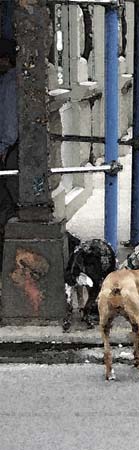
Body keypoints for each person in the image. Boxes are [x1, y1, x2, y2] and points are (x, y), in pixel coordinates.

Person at [0, 38, 18, 274]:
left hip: (10, 151)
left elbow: (9, 122)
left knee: (8, 205)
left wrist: (2, 147)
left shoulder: (10, 83)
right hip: (12, 149)